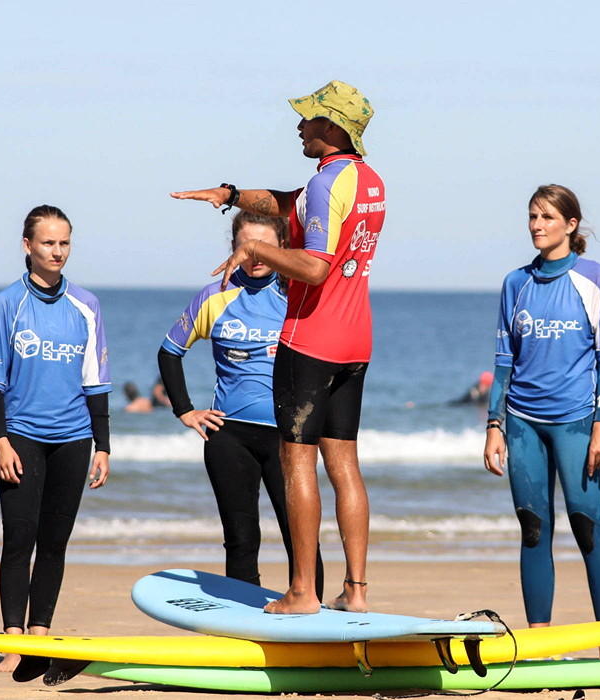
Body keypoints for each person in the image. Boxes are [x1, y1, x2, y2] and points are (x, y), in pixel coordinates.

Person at [171, 80, 384, 614]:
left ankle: (302, 592)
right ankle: (356, 591)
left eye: (308, 118)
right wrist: (231, 196)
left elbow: (314, 266)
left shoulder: (325, 185)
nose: (299, 125)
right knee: (345, 466)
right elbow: (286, 203)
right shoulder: (367, 180)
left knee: (297, 464)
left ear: (331, 126)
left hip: (311, 338)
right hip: (355, 340)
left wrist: (255, 249)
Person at [481, 185, 600, 659]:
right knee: (533, 527)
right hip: (522, 421)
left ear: (571, 224)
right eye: (532, 216)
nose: (537, 225)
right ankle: (540, 644)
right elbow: (504, 361)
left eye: (547, 217)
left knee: (588, 526)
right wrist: (494, 425)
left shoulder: (596, 279)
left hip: (577, 422)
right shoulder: (515, 283)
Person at [158, 211, 323, 596]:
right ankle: (243, 616)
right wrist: (185, 409)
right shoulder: (215, 296)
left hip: (287, 436)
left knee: (299, 534)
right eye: (247, 247)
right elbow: (169, 352)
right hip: (228, 435)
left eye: (264, 246)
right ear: (233, 248)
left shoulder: (297, 295)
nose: (256, 255)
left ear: (282, 248)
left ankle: (309, 607)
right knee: (241, 537)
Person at [0, 205, 112, 670]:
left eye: (64, 243)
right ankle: (13, 639)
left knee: (55, 541)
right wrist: (0, 441)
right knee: (19, 538)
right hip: (21, 436)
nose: (57, 251)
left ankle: (40, 635)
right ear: (28, 245)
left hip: (74, 437)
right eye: (48, 242)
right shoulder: (7, 304)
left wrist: (103, 445)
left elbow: (96, 380)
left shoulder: (86, 305)